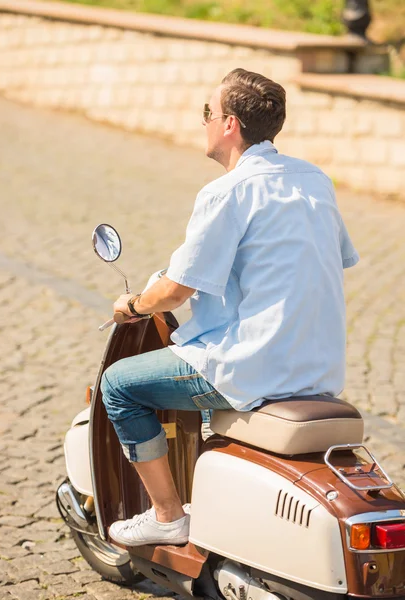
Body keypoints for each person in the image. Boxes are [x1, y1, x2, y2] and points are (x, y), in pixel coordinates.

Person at [101, 68, 359, 547]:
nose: (203, 121)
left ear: (230, 125)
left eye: (208, 112)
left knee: (118, 386)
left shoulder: (228, 191)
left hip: (252, 364)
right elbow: (316, 259)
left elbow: (175, 292)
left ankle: (167, 514)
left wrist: (134, 303)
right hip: (319, 367)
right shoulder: (314, 180)